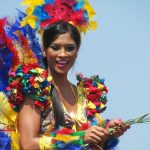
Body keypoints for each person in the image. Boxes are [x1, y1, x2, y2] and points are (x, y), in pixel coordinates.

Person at [0, 0, 130, 150]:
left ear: (76, 51)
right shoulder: (36, 89)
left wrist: (105, 133)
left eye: (69, 48)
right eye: (55, 48)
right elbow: (28, 144)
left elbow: (87, 144)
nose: (63, 54)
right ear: (44, 51)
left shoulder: (84, 95)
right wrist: (80, 137)